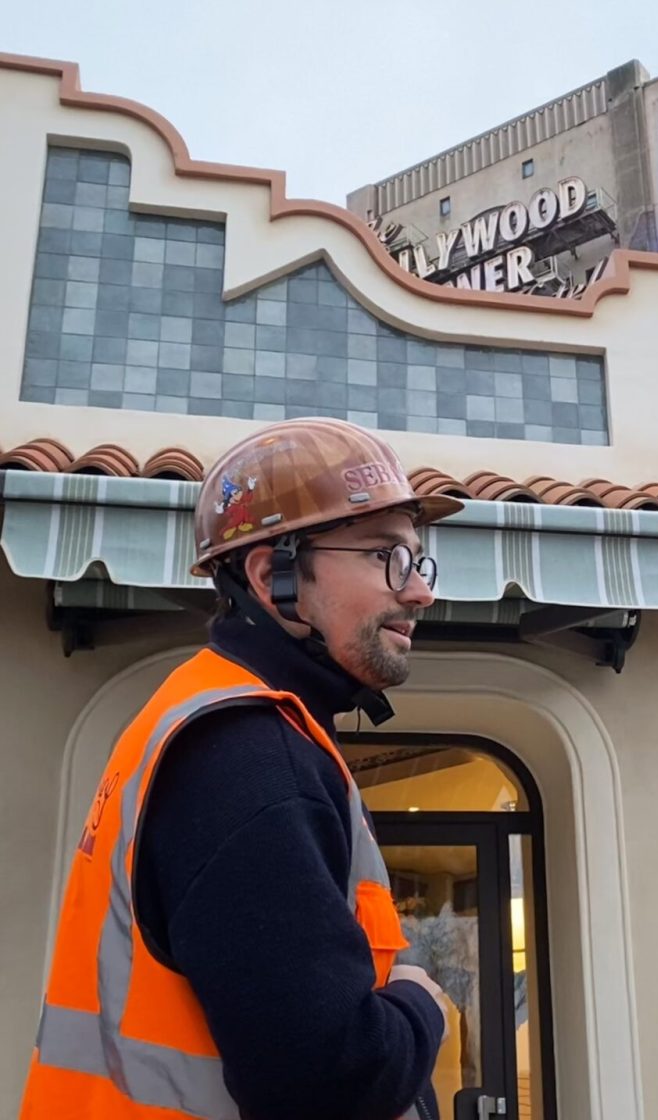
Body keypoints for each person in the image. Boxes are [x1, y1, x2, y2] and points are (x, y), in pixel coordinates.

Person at [21, 418, 464, 1120]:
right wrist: (422, 1001)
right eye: (387, 557)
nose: (419, 592)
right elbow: (327, 1083)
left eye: (417, 562)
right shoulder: (249, 755)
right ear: (272, 575)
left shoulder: (207, 720)